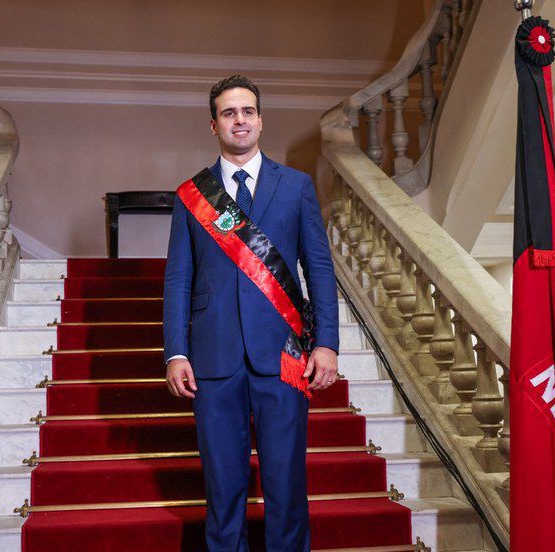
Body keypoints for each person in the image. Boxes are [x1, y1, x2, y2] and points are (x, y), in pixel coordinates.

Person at [163, 74, 339, 551]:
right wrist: (176, 353)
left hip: (283, 356)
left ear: (261, 120)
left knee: (286, 486)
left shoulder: (296, 186)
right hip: (213, 358)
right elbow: (178, 279)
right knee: (222, 491)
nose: (238, 120)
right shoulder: (191, 195)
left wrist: (326, 343)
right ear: (214, 125)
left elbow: (319, 269)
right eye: (228, 113)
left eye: (247, 111)